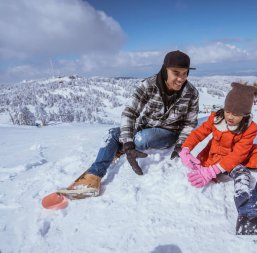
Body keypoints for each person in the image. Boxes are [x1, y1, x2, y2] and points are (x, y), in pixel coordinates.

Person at [65, 50, 199, 198]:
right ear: (164, 69)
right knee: (114, 133)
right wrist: (128, 144)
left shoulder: (191, 93)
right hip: (144, 127)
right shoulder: (148, 86)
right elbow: (130, 112)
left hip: (169, 133)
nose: (181, 78)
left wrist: (181, 144)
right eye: (176, 73)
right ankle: (94, 175)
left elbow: (190, 122)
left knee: (143, 139)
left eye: (185, 73)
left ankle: (118, 147)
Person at [178, 82, 257, 241]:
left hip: (240, 155)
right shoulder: (216, 118)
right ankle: (248, 216)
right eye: (228, 111)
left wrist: (211, 171)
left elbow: (239, 154)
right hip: (217, 158)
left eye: (236, 114)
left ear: (246, 114)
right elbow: (199, 134)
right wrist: (186, 149)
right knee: (242, 173)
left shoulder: (251, 128)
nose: (230, 117)